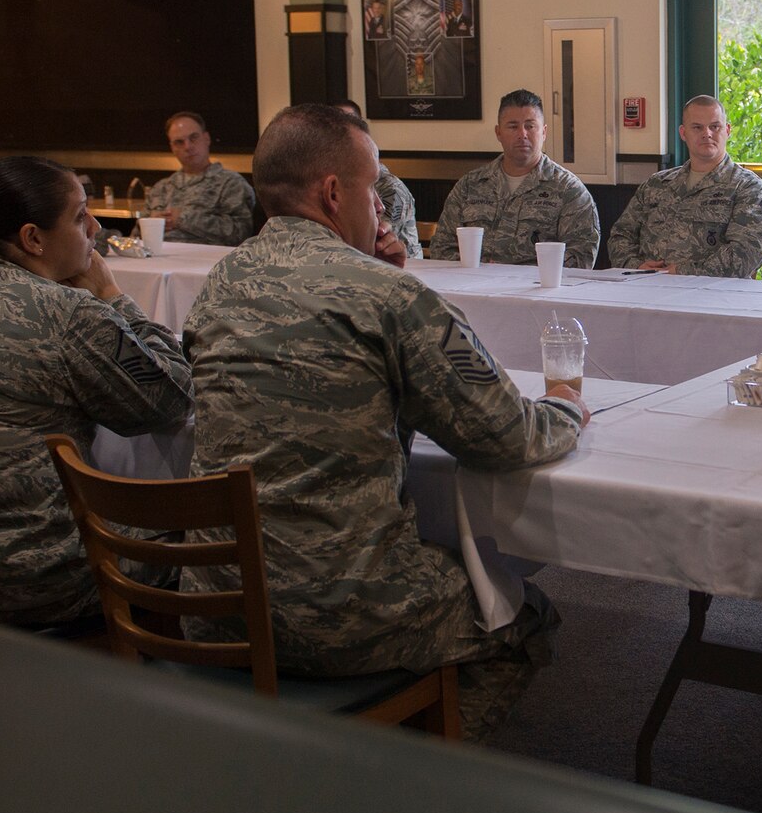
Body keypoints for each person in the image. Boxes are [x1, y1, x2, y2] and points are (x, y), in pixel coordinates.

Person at [183, 104, 587, 738]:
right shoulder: (392, 298)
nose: (381, 208)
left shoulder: (221, 281)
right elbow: (509, 437)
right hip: (341, 609)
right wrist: (566, 405)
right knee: (524, 621)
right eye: (373, 188)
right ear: (334, 192)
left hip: (219, 597)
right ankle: (407, 785)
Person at [0, 156, 193, 627]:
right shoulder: (68, 312)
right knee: (210, 535)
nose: (94, 226)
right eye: (79, 216)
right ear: (33, 238)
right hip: (23, 572)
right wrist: (113, 297)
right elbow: (170, 400)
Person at [606, 95, 762, 277]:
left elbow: (745, 254)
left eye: (715, 127)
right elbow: (620, 236)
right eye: (697, 127)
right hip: (646, 288)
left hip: (712, 297)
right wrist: (636, 266)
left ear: (727, 131)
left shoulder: (748, 189)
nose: (707, 134)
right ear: (683, 133)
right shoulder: (656, 185)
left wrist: (682, 272)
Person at [428, 89, 601, 268]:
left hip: (537, 290)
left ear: (544, 132)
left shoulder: (568, 190)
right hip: (471, 288)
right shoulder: (470, 186)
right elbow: (442, 246)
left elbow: (581, 256)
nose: (522, 134)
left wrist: (518, 277)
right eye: (513, 126)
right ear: (498, 133)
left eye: (530, 126)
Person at [143, 111, 257, 246]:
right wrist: (151, 225)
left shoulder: (231, 183)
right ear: (172, 147)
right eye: (179, 142)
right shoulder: (160, 188)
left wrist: (183, 218)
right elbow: (136, 237)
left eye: (193, 138)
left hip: (206, 262)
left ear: (207, 138)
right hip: (154, 261)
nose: (188, 147)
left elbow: (240, 234)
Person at [334, 98, 420, 259]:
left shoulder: (389, 188)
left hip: (402, 271)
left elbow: (374, 240)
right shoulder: (329, 185)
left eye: (348, 125)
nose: (340, 134)